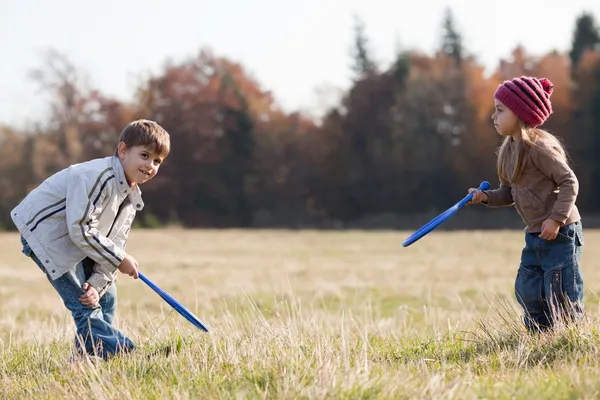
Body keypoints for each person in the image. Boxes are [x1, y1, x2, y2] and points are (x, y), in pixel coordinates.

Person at [10, 119, 170, 359]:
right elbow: (81, 227)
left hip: (78, 238)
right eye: (145, 155)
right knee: (84, 304)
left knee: (104, 296)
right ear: (123, 150)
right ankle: (125, 354)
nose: (150, 165)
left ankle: (88, 358)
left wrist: (97, 283)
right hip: (46, 234)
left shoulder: (130, 196)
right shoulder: (98, 176)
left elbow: (113, 244)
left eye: (157, 161)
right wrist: (120, 258)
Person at [468, 76, 584, 332]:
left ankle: (571, 336)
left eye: (500, 110)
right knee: (528, 287)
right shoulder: (509, 151)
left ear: (521, 114)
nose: (493, 116)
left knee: (561, 289)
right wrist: (486, 197)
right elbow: (508, 193)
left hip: (561, 232)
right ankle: (539, 334)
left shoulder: (540, 148)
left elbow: (569, 182)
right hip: (535, 233)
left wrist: (556, 219)